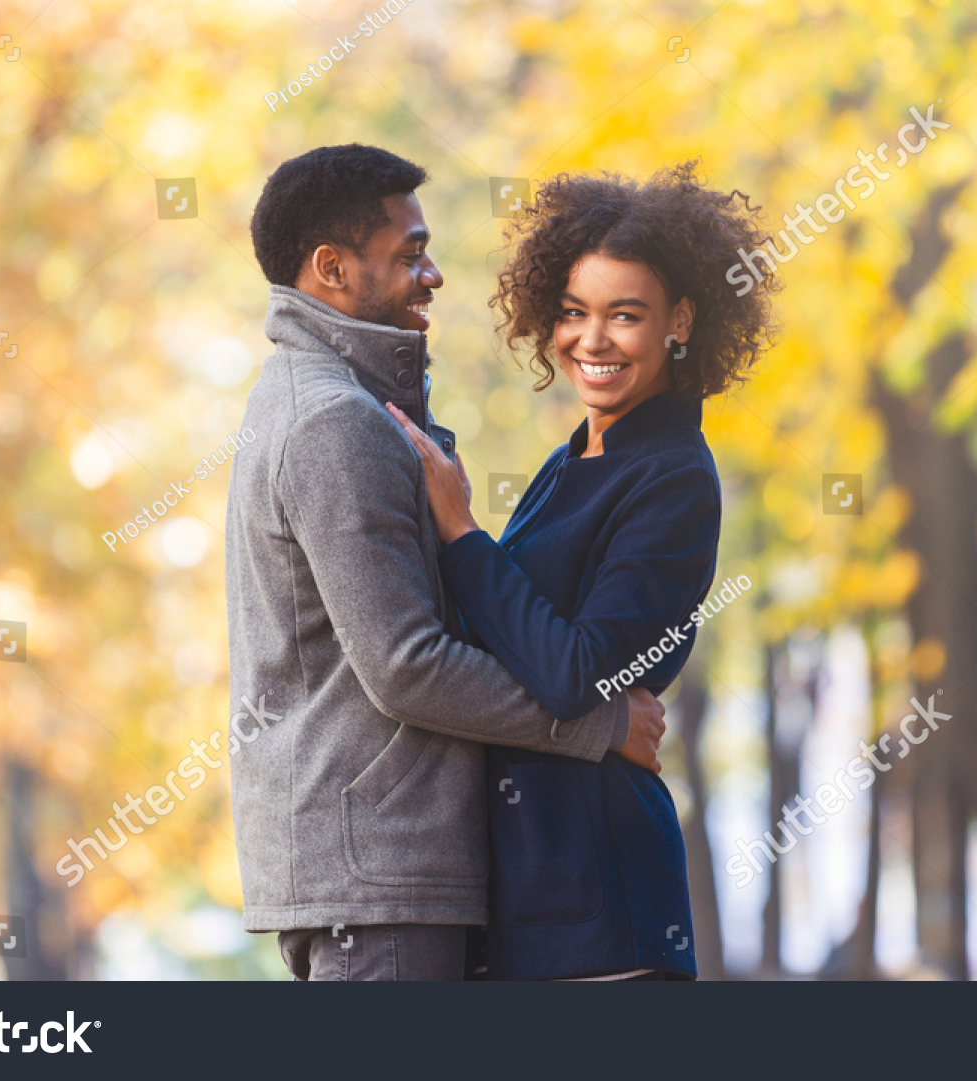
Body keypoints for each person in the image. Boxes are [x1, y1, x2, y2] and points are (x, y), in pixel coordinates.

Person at [228, 144, 667, 981]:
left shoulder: (329, 401)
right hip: (382, 878)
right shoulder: (334, 423)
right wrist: (602, 726)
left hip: (380, 871)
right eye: (409, 255)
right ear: (330, 267)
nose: (431, 276)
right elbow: (406, 665)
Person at [389, 162, 775, 979]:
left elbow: (577, 673)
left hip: (601, 904)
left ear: (681, 320)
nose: (591, 341)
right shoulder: (576, 457)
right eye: (574, 312)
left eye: (624, 315)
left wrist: (462, 534)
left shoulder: (672, 474)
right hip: (533, 893)